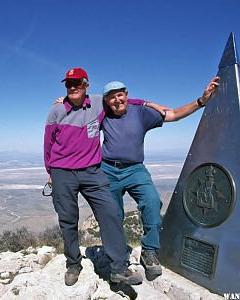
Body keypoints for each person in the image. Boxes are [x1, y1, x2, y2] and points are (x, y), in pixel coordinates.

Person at [100, 77, 220, 280]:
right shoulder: (102, 115)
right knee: (112, 215)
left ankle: (149, 251)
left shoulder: (141, 113)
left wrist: (201, 101)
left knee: (152, 202)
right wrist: (63, 101)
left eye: (120, 95)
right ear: (106, 101)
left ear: (127, 95)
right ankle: (118, 260)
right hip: (108, 170)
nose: (117, 100)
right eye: (111, 97)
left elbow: (173, 115)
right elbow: (81, 108)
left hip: (135, 169)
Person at [44, 68, 147, 286]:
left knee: (110, 214)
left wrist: (146, 104)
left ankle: (119, 268)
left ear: (86, 86)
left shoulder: (99, 103)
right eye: (68, 84)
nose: (73, 88)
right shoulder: (56, 110)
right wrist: (51, 173)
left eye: (77, 84)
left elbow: (121, 102)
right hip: (62, 172)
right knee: (68, 220)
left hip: (92, 171)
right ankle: (73, 264)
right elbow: (48, 144)